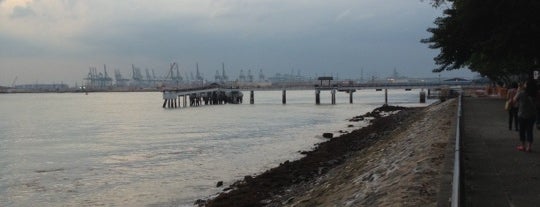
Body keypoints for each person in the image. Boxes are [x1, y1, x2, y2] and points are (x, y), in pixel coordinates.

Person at [513, 79, 537, 152]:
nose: (524, 84)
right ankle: (529, 147)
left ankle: (523, 146)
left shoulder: (521, 93)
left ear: (527, 85)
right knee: (530, 131)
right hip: (532, 115)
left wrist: (518, 91)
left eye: (525, 83)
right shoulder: (536, 94)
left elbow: (514, 100)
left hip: (522, 115)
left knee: (522, 131)